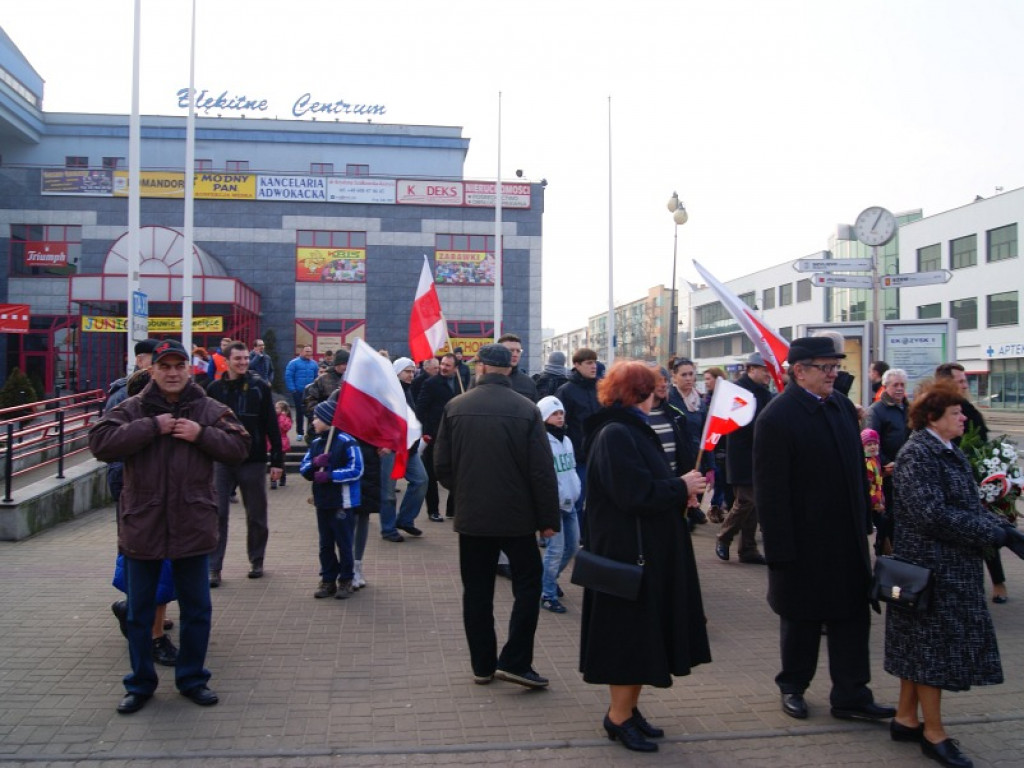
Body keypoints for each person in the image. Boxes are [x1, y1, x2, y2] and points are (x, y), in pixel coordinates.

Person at [89, 339, 250, 714]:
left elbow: (240, 446)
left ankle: (192, 678)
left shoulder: (209, 409)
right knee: (140, 612)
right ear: (153, 370)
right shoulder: (132, 409)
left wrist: (201, 434)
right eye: (166, 366)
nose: (173, 373)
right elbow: (100, 443)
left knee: (197, 610)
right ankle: (140, 683)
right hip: (142, 525)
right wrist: (151, 427)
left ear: (188, 369)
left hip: (192, 525)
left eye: (179, 366)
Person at [754, 336, 895, 723]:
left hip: (846, 537)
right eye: (826, 367)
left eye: (836, 367)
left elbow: (855, 471)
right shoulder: (777, 417)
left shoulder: (841, 407)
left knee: (852, 616)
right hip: (803, 541)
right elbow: (770, 491)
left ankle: (852, 694)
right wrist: (780, 550)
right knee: (801, 618)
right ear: (799, 371)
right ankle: (793, 687)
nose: (834, 374)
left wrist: (868, 519)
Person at [885, 378, 1024, 768]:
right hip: (931, 568)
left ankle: (906, 718)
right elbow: (931, 514)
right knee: (933, 651)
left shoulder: (946, 449)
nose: (964, 417)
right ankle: (934, 733)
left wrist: (1007, 531)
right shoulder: (919, 454)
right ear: (933, 418)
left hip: (948, 566)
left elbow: (964, 500)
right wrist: (989, 532)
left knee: (921, 647)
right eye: (956, 412)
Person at [579, 361, 710, 753]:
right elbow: (633, 494)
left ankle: (628, 710)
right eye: (656, 387)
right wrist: (679, 485)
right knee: (627, 638)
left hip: (641, 552)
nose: (662, 392)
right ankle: (618, 717)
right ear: (640, 392)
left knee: (639, 636)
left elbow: (643, 485)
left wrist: (677, 491)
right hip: (628, 556)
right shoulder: (617, 433)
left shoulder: (629, 429)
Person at [433, 343, 560, 689]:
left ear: (482, 368)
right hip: (517, 519)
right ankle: (516, 660)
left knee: (476, 591)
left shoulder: (456, 406)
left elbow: (441, 465)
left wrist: (464, 492)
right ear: (506, 369)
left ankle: (483, 665)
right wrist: (549, 519)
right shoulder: (526, 409)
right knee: (528, 585)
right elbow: (541, 471)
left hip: (473, 517)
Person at [206, 341, 284, 586]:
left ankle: (256, 560)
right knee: (217, 513)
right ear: (226, 361)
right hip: (221, 460)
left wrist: (277, 461)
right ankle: (214, 567)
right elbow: (206, 424)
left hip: (253, 459)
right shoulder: (215, 389)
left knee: (256, 515)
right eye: (237, 359)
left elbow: (272, 424)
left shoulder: (260, 387)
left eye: (245, 359)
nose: (242, 363)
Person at [935, 362, 1008, 605]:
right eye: (961, 381)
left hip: (974, 482)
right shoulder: (934, 410)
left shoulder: (968, 410)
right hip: (946, 487)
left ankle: (998, 582)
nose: (966, 385)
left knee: (984, 529)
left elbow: (983, 441)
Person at [299, 398, 365, 600]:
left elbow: (357, 469)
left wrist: (331, 475)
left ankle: (346, 578)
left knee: (344, 542)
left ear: (328, 419)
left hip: (341, 502)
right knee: (325, 543)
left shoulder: (347, 442)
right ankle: (327, 579)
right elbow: (304, 467)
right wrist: (313, 466)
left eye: (317, 418)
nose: (313, 422)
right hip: (322, 501)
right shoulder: (318, 444)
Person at [715, 352, 772, 565]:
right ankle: (724, 536)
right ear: (751, 370)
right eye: (764, 370)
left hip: (758, 454)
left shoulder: (764, 392)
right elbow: (736, 423)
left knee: (754, 504)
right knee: (746, 500)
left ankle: (748, 549)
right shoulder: (738, 391)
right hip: (741, 455)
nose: (768, 375)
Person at [536, 395, 581, 614]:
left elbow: (569, 470)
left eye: (561, 413)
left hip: (570, 503)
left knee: (572, 547)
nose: (560, 417)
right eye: (555, 414)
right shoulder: (542, 441)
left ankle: (549, 580)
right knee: (555, 550)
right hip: (553, 505)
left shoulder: (567, 439)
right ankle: (547, 593)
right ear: (544, 417)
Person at [378, 357, 429, 540]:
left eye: (413, 370)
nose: (411, 374)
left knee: (421, 481)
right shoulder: (388, 392)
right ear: (397, 372)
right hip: (391, 448)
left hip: (409, 448)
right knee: (388, 491)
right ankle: (388, 528)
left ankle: (405, 520)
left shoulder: (408, 390)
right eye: (407, 371)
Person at [555, 348, 600, 531]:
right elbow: (559, 423)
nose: (593, 366)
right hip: (578, 456)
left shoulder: (601, 388)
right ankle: (576, 535)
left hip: (598, 453)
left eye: (595, 362)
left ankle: (592, 534)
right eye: (589, 363)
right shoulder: (566, 391)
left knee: (598, 498)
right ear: (577, 365)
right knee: (577, 497)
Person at [868, 368, 910, 555]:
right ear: (885, 387)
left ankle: (896, 550)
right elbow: (871, 443)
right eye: (896, 385)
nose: (900, 389)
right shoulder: (877, 411)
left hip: (907, 470)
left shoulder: (909, 408)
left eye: (902, 385)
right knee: (887, 516)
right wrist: (886, 464)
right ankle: (884, 550)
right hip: (886, 473)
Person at [416, 352, 459, 522]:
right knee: (431, 474)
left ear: (455, 368)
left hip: (455, 434)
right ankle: (433, 510)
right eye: (442, 364)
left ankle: (452, 508)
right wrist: (424, 431)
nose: (443, 367)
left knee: (457, 471)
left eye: (448, 365)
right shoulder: (431, 383)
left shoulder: (461, 382)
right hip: (433, 435)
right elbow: (421, 408)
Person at [667, 356, 709, 528]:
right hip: (678, 461)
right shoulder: (669, 399)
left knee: (694, 501)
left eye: (691, 374)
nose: (689, 378)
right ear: (674, 376)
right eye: (684, 375)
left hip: (697, 459)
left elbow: (706, 432)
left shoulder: (700, 402)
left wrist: (710, 464)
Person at [702, 366, 732, 523]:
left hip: (723, 443)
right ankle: (716, 506)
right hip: (711, 444)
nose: (706, 382)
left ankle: (719, 506)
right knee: (718, 477)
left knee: (723, 478)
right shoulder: (706, 400)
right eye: (705, 379)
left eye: (708, 379)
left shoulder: (725, 399)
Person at [303, 349, 349, 443]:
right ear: (337, 364)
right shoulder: (323, 379)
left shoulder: (350, 381)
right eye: (344, 364)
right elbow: (309, 401)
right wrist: (321, 416)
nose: (346, 366)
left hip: (344, 428)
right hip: (324, 428)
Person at [284, 345, 319, 438]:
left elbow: (316, 377)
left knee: (310, 413)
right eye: (307, 351)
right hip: (298, 391)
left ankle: (310, 432)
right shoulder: (293, 363)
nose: (308, 353)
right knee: (299, 413)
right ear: (302, 352)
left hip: (310, 393)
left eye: (310, 351)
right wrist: (293, 390)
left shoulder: (314, 364)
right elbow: (288, 376)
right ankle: (300, 433)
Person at [498, 333, 539, 402]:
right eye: (511, 350)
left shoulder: (528, 383)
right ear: (499, 352)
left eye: (518, 351)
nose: (515, 354)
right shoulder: (485, 379)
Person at [861, 429, 885, 528]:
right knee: (881, 526)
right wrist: (876, 502)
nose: (873, 447)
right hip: (873, 503)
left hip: (879, 498)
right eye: (869, 444)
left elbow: (878, 482)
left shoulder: (875, 460)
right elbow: (869, 486)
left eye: (875, 444)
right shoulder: (868, 463)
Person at [270, 401, 292, 489]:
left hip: (283, 442)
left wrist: (282, 417)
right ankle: (273, 480)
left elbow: (285, 427)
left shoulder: (285, 418)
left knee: (281, 461)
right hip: (273, 442)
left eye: (277, 408)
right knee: (273, 461)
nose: (275, 410)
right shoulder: (273, 417)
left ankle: (282, 477)